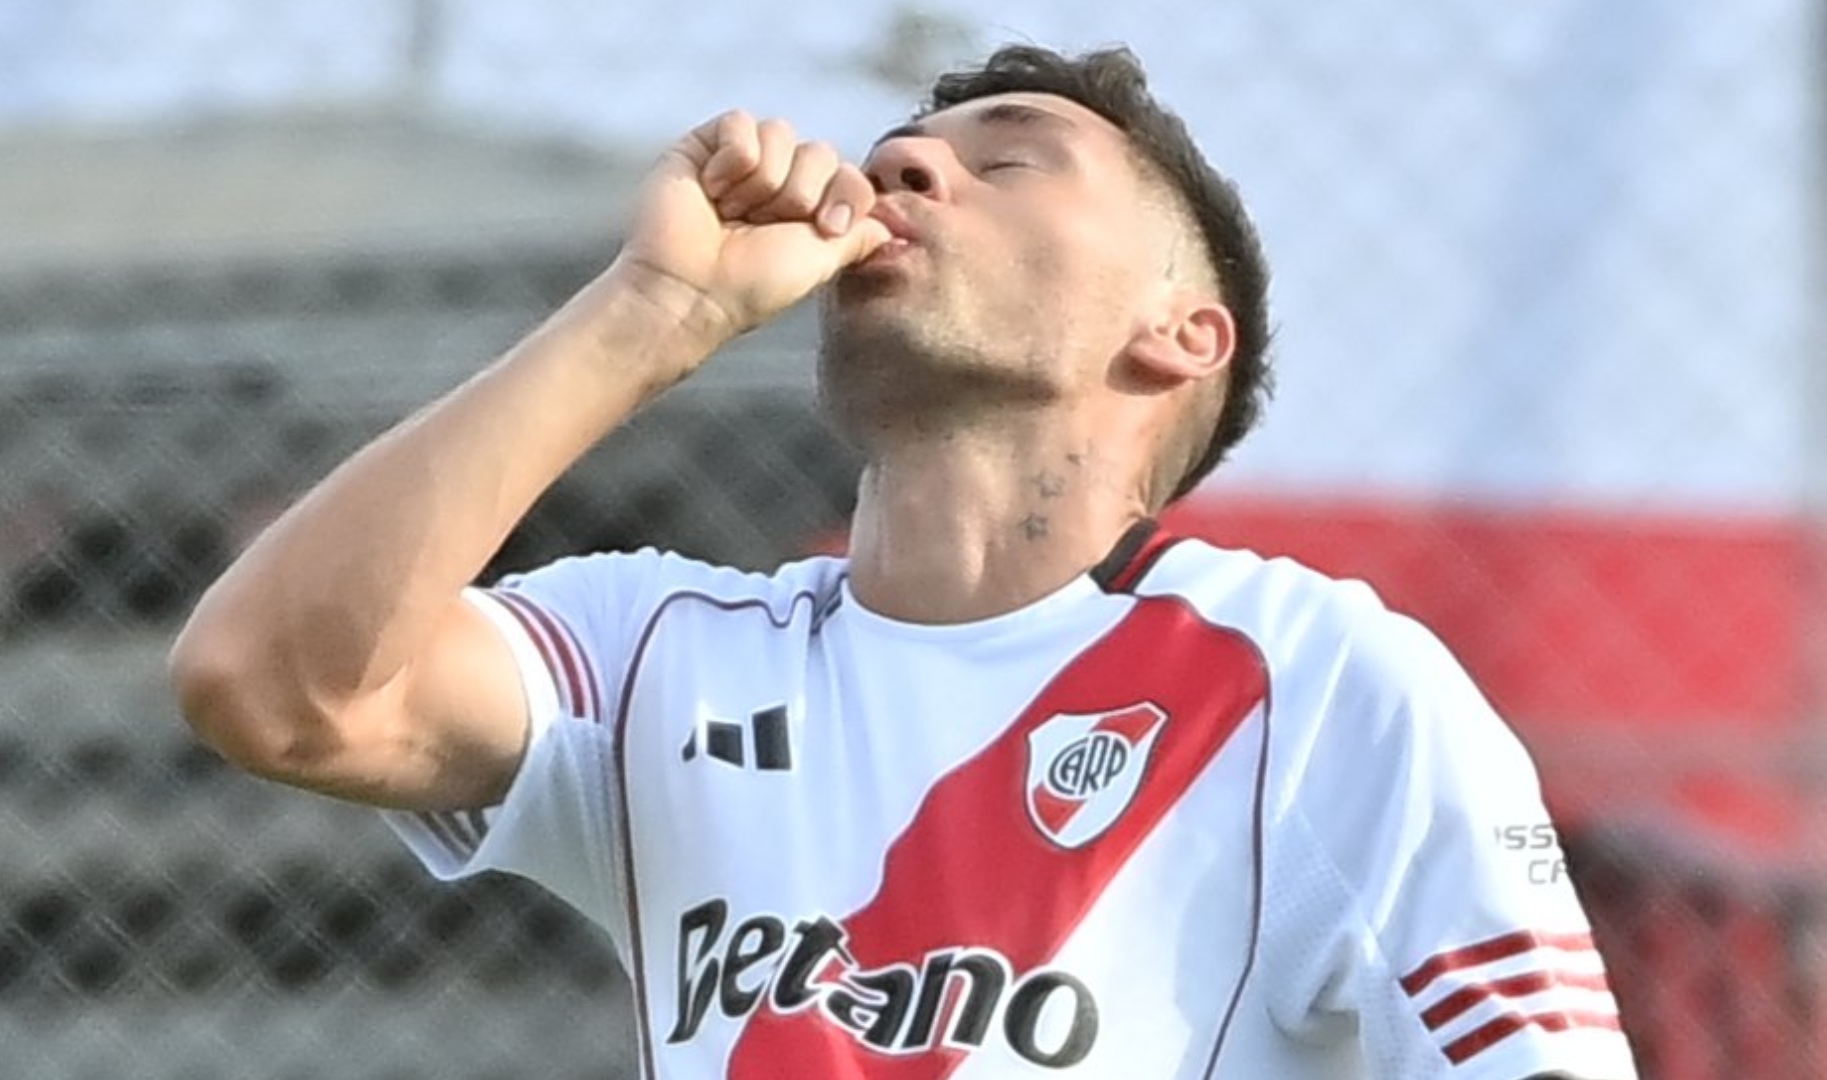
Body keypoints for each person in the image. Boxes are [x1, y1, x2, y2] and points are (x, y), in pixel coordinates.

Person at [170, 44, 1638, 1080]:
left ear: (1179, 335)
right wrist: (650, 311)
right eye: (899, 160)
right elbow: (273, 687)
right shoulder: (657, 650)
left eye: (1013, 160)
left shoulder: (1315, 679)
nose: (907, 163)